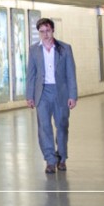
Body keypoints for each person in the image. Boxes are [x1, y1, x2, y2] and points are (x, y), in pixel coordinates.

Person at [26, 17, 78, 174]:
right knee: (44, 127)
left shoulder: (64, 48)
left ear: (53, 30)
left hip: (60, 92)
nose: (45, 34)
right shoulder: (34, 50)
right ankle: (50, 160)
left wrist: (73, 95)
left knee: (62, 125)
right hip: (42, 93)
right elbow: (31, 75)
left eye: (48, 30)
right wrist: (29, 96)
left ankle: (61, 157)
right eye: (42, 31)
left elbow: (71, 74)